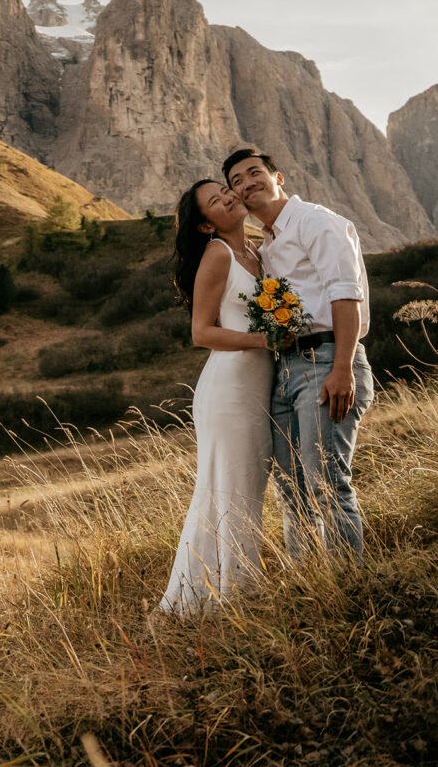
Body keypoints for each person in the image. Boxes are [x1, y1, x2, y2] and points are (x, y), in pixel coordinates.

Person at [223, 148, 374, 561]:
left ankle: (348, 588)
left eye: (255, 173)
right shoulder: (267, 246)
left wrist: (341, 367)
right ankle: (308, 585)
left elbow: (345, 293)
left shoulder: (315, 221)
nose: (247, 182)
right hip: (287, 372)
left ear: (279, 178)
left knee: (326, 481)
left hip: (328, 361)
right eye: (236, 180)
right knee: (292, 490)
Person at [159, 179, 274, 615]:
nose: (228, 196)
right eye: (216, 200)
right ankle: (232, 597)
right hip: (230, 390)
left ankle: (224, 588)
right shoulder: (218, 254)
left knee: (243, 489)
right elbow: (200, 332)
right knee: (231, 491)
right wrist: (265, 340)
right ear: (206, 225)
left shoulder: (257, 252)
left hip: (256, 385)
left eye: (225, 190)